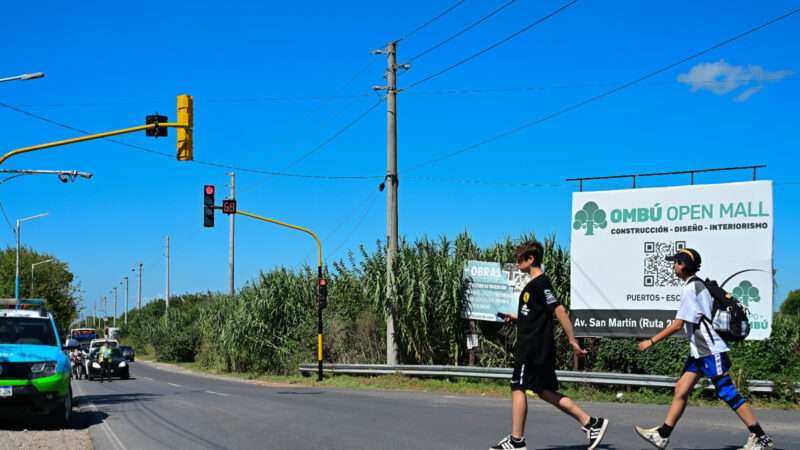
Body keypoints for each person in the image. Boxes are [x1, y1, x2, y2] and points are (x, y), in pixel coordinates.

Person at [634, 248, 774, 450]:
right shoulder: (698, 285)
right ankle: (662, 435)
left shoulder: (691, 288)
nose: (673, 266)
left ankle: (760, 437)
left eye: (675, 262)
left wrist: (651, 341)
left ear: (682, 265)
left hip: (710, 350)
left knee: (727, 392)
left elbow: (677, 325)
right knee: (681, 389)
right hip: (699, 352)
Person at [490, 241, 609, 450]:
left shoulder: (541, 283)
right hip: (535, 346)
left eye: (520, 259)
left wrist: (572, 340)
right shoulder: (533, 286)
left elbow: (559, 310)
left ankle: (516, 441)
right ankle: (591, 423)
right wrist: (516, 318)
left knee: (518, 386)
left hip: (533, 347)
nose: (517, 262)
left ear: (531, 259)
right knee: (544, 391)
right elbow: (536, 316)